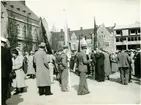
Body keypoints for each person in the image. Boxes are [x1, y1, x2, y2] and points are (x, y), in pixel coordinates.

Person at [1, 37, 12, 105]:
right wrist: (9, 71)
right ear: (4, 43)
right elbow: (9, 63)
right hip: (3, 74)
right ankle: (2, 102)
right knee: (3, 89)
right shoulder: (6, 51)